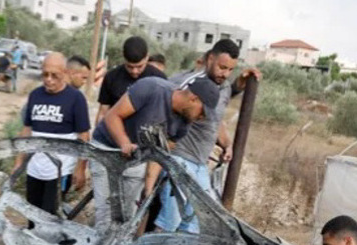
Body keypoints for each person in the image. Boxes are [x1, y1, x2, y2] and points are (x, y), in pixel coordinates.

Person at [91, 75, 218, 231]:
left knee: (126, 217)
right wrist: (124, 143)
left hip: (137, 160)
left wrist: (149, 188)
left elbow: (159, 153)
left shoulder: (184, 125)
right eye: (202, 112)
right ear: (194, 99)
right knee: (105, 215)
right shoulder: (151, 88)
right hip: (106, 150)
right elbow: (112, 116)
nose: (201, 118)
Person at [169, 39, 261, 201]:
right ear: (210, 59)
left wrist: (227, 145)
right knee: (173, 216)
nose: (225, 74)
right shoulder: (190, 83)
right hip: (180, 159)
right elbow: (163, 104)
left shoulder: (224, 86)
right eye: (222, 67)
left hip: (201, 163)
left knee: (199, 216)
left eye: (230, 69)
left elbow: (215, 118)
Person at [17, 52, 90, 217]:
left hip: (60, 171)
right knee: (32, 215)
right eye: (45, 74)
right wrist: (19, 161)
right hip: (34, 168)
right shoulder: (35, 95)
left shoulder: (76, 99)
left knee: (50, 217)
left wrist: (80, 168)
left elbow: (84, 135)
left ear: (64, 73)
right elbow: (27, 130)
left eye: (54, 75)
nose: (49, 79)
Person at [96, 36, 167, 124]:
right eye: (129, 67)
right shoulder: (111, 77)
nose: (134, 71)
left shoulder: (159, 79)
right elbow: (103, 112)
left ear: (147, 57)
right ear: (124, 58)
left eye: (139, 66)